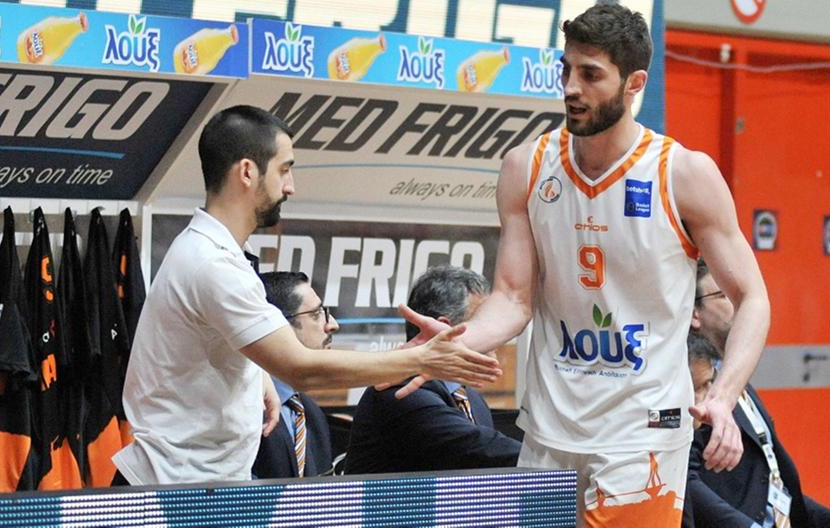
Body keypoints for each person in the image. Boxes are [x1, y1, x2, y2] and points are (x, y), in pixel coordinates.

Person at [398, 4, 769, 525]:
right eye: (566, 70)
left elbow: (753, 297)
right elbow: (512, 298)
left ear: (634, 83)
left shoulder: (682, 173)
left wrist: (725, 397)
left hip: (643, 434)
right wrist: (450, 345)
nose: (571, 87)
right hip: (549, 430)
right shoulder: (526, 166)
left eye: (591, 74)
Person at [112, 105, 501, 486]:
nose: (290, 186)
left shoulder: (221, 254)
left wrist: (256, 375)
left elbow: (217, 348)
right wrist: (421, 359)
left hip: (195, 483)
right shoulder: (211, 263)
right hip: (170, 489)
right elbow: (302, 368)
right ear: (247, 172)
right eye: (284, 169)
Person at [687, 261, 830, 528]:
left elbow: (771, 484)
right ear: (694, 313)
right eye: (724, 295)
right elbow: (684, 482)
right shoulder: (692, 384)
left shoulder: (736, 379)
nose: (740, 305)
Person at [345, 266, 522, 474]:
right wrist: (550, 458)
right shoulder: (400, 391)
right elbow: (480, 450)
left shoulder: (472, 398)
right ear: (445, 329)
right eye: (481, 321)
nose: (494, 332)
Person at [252, 272, 336, 479]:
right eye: (316, 314)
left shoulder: (310, 411)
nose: (333, 324)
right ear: (279, 326)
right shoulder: (243, 407)